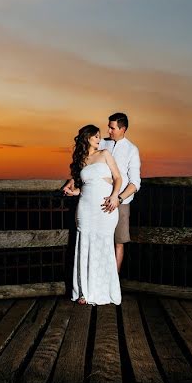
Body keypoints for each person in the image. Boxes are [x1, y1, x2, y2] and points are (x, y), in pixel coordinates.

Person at [64, 112, 140, 272]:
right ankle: (95, 278)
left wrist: (117, 198)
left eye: (112, 128)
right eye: (108, 127)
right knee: (96, 239)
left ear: (123, 129)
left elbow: (135, 183)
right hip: (97, 201)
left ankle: (114, 280)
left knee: (117, 242)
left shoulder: (132, 150)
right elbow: (87, 166)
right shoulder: (101, 144)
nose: (108, 131)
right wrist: (72, 181)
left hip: (121, 202)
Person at [66, 124, 123, 305]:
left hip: (105, 206)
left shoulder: (105, 154)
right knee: (84, 243)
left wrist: (115, 196)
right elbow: (82, 185)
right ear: (87, 138)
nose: (100, 139)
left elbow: (118, 178)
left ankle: (103, 291)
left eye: (100, 136)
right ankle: (84, 292)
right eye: (96, 136)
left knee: (104, 243)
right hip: (85, 206)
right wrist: (73, 190)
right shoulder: (81, 159)